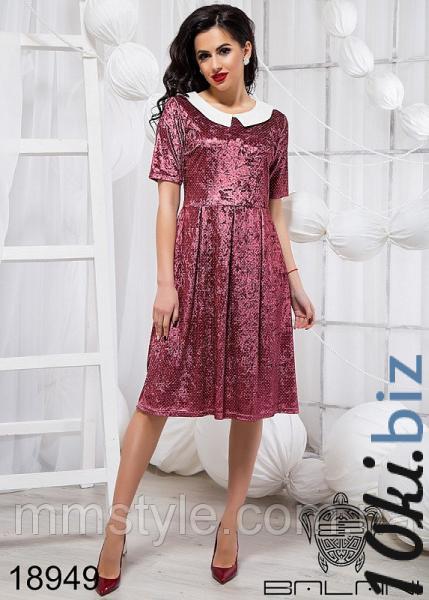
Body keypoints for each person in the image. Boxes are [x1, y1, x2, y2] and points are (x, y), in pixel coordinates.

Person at [95, 3, 315, 595]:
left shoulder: (275, 124)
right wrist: (165, 283)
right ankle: (115, 529)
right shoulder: (179, 114)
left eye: (223, 49)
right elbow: (166, 206)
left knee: (251, 404)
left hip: (259, 274)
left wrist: (294, 281)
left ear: (246, 49)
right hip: (194, 268)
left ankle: (229, 527)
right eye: (203, 55)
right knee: (155, 397)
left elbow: (276, 212)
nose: (214, 63)